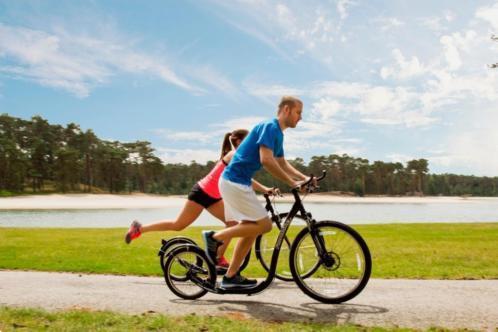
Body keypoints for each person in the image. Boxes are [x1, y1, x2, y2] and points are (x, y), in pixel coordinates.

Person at [203, 96, 310, 289]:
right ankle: (214, 238)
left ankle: (231, 277)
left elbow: (282, 163)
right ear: (286, 110)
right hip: (234, 182)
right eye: (298, 112)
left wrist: (303, 178)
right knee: (265, 225)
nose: (300, 117)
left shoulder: (277, 133)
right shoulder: (270, 127)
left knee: (252, 229)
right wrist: (291, 183)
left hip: (237, 182)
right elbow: (267, 160)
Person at [124, 129, 270, 269]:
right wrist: (264, 188)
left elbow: (244, 177)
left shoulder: (237, 155)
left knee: (232, 223)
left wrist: (264, 188)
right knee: (178, 224)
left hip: (214, 197)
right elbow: (246, 178)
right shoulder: (234, 154)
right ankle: (139, 228)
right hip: (201, 193)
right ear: (238, 141)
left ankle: (218, 258)